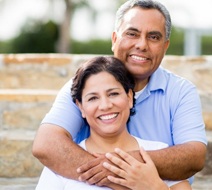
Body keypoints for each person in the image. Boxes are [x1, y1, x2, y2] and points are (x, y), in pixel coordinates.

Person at [32, 0, 207, 188]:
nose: (142, 45)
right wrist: (120, 177)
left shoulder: (180, 92)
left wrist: (123, 169)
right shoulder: (84, 84)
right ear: (114, 39)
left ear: (165, 46)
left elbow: (194, 156)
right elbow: (46, 144)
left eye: (154, 37)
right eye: (132, 34)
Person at [36, 56, 191, 190]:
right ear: (80, 107)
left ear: (129, 97)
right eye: (93, 98)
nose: (105, 105)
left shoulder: (158, 152)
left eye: (113, 94)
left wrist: (155, 187)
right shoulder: (61, 163)